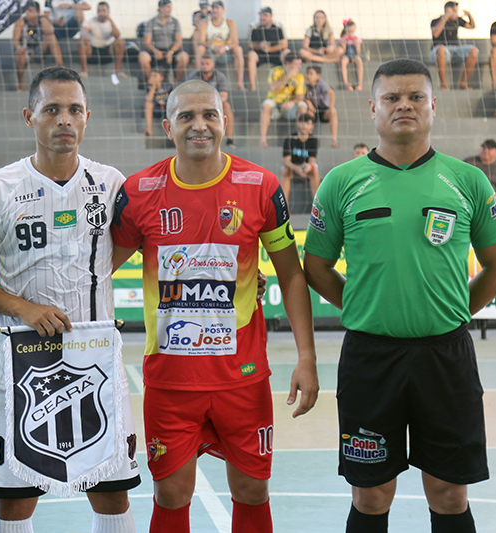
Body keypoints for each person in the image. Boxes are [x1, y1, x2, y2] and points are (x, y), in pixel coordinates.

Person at [303, 58, 496, 533]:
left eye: (416, 97)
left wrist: (453, 310)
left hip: (446, 356)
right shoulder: (341, 181)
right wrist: (364, 304)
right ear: (372, 107)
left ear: (434, 106)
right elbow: (314, 266)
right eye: (392, 98)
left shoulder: (468, 180)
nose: (404, 106)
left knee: (449, 495)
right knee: (371, 496)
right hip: (370, 359)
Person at [111, 79, 319, 533]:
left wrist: (306, 358)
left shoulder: (260, 187)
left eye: (209, 115)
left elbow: (291, 275)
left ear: (225, 121)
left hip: (241, 380)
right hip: (170, 381)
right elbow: (94, 270)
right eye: (186, 116)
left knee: (252, 491)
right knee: (170, 494)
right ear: (168, 126)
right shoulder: (141, 190)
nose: (199, 125)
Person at [0, 66, 140, 533]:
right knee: (15, 501)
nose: (65, 120)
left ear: (87, 117)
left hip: (94, 359)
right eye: (52, 109)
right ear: (29, 117)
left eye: (74, 110)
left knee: (112, 492)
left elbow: (131, 249)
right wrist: (25, 309)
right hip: (22, 362)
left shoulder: (112, 183)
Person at [259, 52, 308, 148]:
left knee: (303, 106)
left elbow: (300, 96)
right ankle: (263, 139)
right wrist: (287, 76)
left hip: (290, 105)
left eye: (300, 64)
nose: (299, 67)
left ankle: (302, 138)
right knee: (266, 106)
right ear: (287, 64)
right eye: (296, 64)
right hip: (275, 102)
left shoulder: (300, 76)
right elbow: (273, 88)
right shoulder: (275, 71)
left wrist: (292, 102)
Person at [13, 1, 63, 92]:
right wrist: (19, 47)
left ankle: (62, 68)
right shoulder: (21, 22)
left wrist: (41, 18)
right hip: (25, 50)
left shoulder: (42, 20)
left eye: (30, 10)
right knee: (21, 55)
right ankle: (21, 84)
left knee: (51, 38)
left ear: (37, 12)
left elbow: (50, 31)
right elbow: (15, 41)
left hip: (39, 49)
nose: (26, 13)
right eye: (26, 10)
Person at [188, 52, 235, 147]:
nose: (204, 66)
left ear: (213, 64)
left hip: (214, 105)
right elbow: (189, 96)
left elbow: (224, 97)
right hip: (197, 105)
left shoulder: (220, 77)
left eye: (207, 64)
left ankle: (230, 139)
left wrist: (208, 104)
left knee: (227, 106)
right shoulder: (193, 77)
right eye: (202, 64)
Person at [195, 1, 245, 90]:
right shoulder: (204, 22)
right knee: (200, 48)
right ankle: (196, 83)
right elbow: (201, 41)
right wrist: (213, 47)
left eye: (217, 8)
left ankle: (240, 83)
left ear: (223, 10)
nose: (214, 10)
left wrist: (224, 48)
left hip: (225, 51)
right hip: (210, 51)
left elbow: (235, 41)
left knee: (238, 49)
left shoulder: (230, 22)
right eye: (213, 8)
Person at [430, 1, 477, 90]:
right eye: (454, 11)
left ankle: (463, 83)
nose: (456, 13)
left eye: (456, 11)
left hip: (456, 49)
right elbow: (435, 33)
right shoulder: (436, 21)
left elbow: (472, 26)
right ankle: (443, 84)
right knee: (441, 49)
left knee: (474, 50)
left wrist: (469, 15)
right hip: (439, 50)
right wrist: (446, 17)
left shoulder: (458, 20)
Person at [138, 0, 189, 83]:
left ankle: (176, 82)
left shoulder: (175, 22)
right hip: (155, 50)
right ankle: (151, 83)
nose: (170, 10)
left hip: (172, 50)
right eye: (168, 7)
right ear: (160, 8)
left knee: (184, 57)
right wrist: (155, 51)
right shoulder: (151, 22)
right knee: (143, 57)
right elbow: (147, 42)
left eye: (171, 7)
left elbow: (179, 42)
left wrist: (171, 52)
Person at [78, 1, 126, 80]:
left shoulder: (113, 22)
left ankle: (117, 71)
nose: (101, 13)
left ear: (108, 12)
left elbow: (117, 35)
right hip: (92, 50)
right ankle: (84, 71)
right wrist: (85, 36)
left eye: (104, 10)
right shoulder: (90, 21)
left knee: (120, 42)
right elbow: (84, 31)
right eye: (99, 11)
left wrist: (109, 19)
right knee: (81, 42)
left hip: (108, 50)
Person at [246, 6, 289, 91]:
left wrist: (270, 49)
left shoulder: (278, 26)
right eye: (261, 15)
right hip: (260, 53)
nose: (263, 18)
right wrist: (260, 46)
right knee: (251, 55)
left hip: (276, 53)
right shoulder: (254, 26)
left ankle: (287, 85)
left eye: (265, 15)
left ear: (271, 17)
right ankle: (252, 87)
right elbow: (249, 44)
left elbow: (284, 44)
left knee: (287, 53)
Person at [464, 139, 496, 218]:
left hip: (490, 200)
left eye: (489, 149)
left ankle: (494, 229)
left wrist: (489, 200)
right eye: (484, 148)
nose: (486, 151)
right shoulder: (469, 162)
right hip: (469, 197)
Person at [281, 113, 319, 205]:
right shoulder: (290, 139)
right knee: (285, 171)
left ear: (312, 126)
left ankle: (317, 204)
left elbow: (312, 160)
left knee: (314, 170)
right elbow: (286, 161)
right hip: (293, 167)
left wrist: (307, 168)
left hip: (305, 166)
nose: (304, 126)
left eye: (308, 123)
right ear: (298, 124)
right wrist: (297, 169)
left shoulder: (313, 140)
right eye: (302, 123)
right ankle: (284, 206)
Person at [304, 65, 338, 148]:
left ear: (318, 76)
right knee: (308, 114)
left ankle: (334, 139)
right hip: (313, 110)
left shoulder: (321, 83)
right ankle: (307, 137)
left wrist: (331, 107)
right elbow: (300, 97)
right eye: (307, 74)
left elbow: (331, 93)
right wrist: (308, 102)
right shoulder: (305, 85)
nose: (308, 76)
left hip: (323, 109)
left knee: (333, 112)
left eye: (311, 74)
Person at [143, 67, 173, 136]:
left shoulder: (168, 86)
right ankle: (149, 129)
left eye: (155, 76)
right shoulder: (149, 87)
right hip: (157, 109)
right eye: (151, 76)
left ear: (161, 78)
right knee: (148, 104)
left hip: (167, 110)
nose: (152, 78)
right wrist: (153, 86)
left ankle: (172, 136)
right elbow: (148, 99)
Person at [338, 19, 363, 91]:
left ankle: (360, 84)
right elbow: (343, 51)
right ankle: (346, 83)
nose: (350, 34)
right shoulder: (343, 39)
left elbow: (358, 52)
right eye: (349, 32)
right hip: (346, 55)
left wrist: (357, 44)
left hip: (355, 55)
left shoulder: (357, 39)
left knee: (359, 61)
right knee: (343, 62)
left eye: (352, 32)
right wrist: (344, 42)